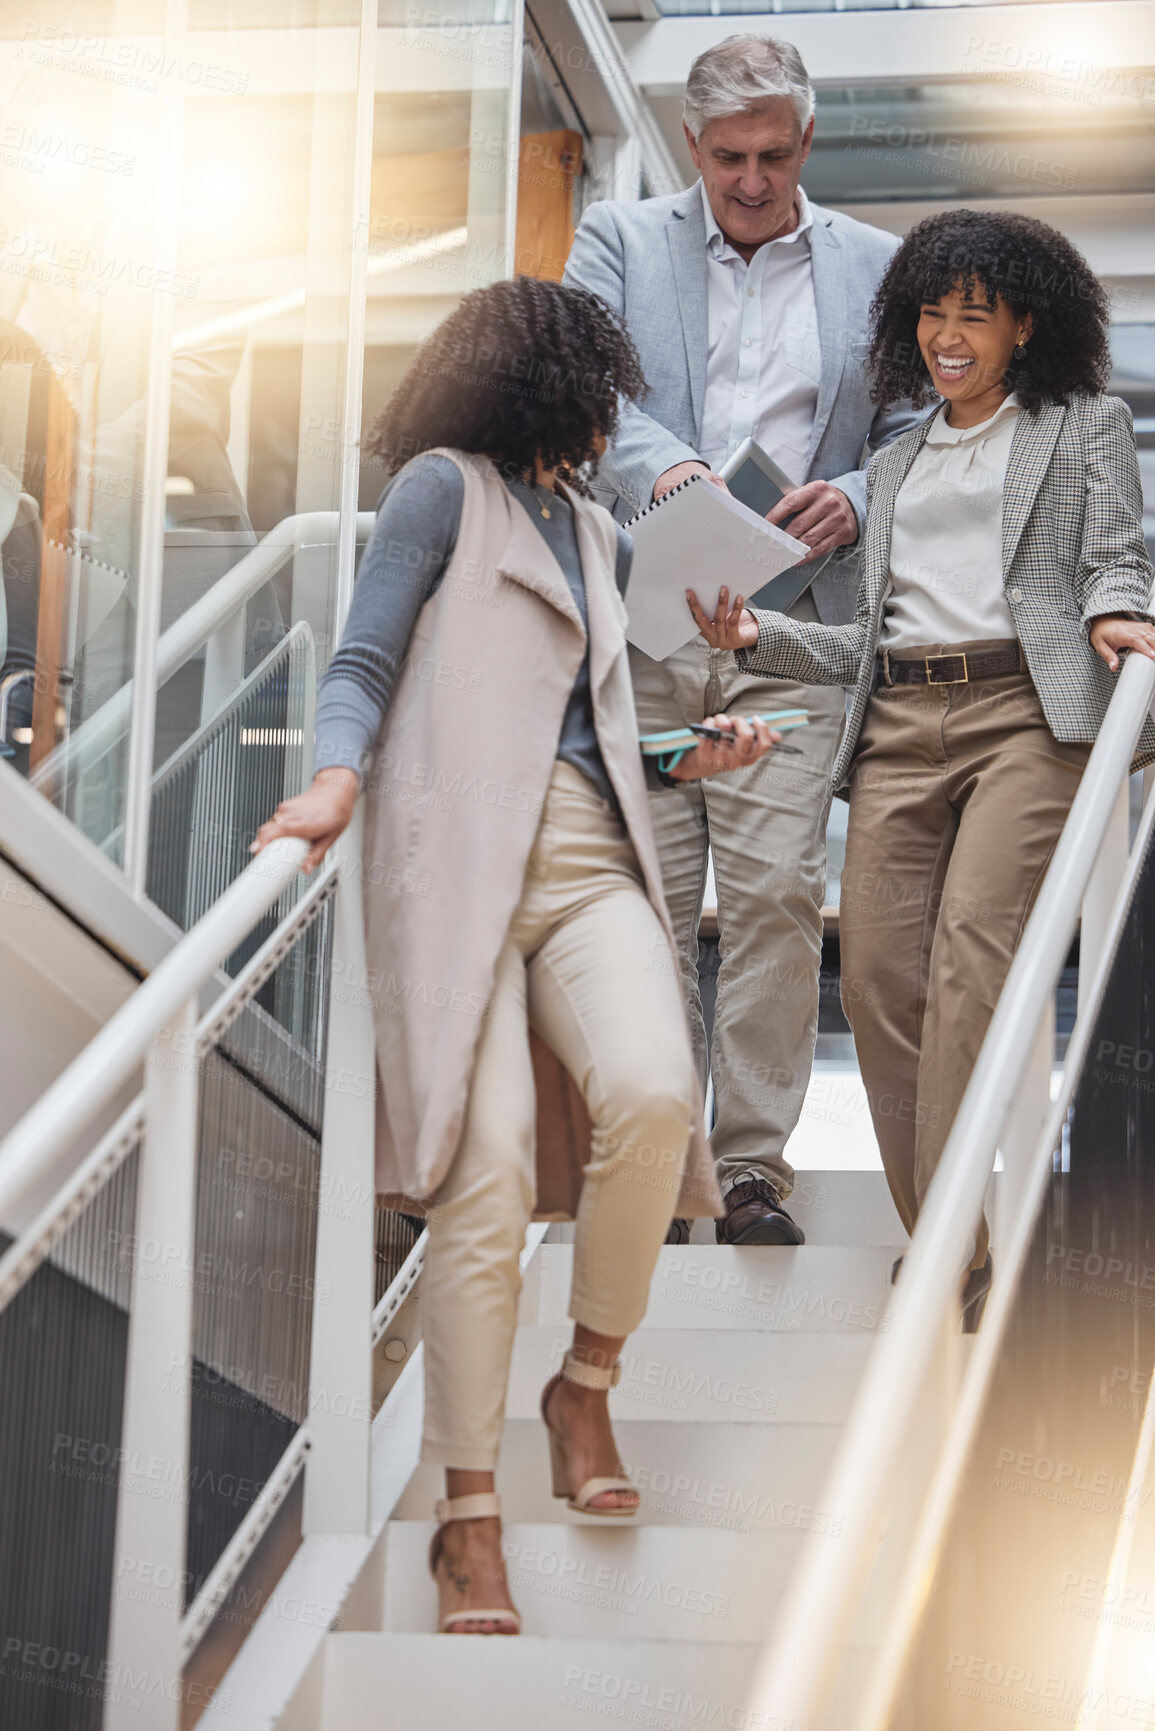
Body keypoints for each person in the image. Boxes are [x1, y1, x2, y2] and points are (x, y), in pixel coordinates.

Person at [253, 277, 787, 1634]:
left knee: (659, 1096)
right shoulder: (442, 489)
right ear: (535, 385)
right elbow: (361, 657)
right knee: (480, 1173)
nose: (611, 417)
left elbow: (589, 728)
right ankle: (468, 1513)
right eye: (596, 392)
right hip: (450, 862)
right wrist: (329, 780)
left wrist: (691, 749)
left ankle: (584, 1379)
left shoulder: (599, 530)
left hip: (587, 853)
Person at [689, 208, 1155, 1327]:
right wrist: (764, 641)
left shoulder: (1081, 422)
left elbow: (1114, 556)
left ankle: (949, 1244)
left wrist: (1120, 615)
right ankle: (954, 1225)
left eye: (976, 316)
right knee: (887, 983)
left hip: (1025, 716)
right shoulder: (893, 463)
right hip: (899, 720)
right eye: (933, 314)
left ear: (1025, 326)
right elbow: (875, 641)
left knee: (969, 970)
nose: (951, 335)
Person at [563, 34, 924, 1246]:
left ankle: (753, 1166)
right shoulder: (620, 242)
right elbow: (591, 395)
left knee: (772, 893)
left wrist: (864, 496)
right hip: (657, 630)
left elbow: (924, 424)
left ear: (807, 142)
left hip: (791, 635)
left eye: (774, 155)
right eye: (729, 159)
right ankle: (661, 1162)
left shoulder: (877, 268)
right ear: (690, 146)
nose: (754, 181)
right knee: (657, 896)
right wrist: (672, 479)